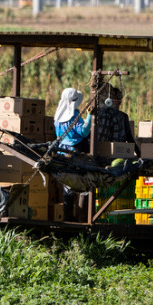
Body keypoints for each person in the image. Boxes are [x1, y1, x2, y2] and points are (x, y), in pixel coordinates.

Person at [53, 87, 91, 221]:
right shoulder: (74, 117)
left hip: (62, 151)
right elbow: (84, 132)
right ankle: (82, 217)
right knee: (82, 183)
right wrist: (90, 116)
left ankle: (67, 216)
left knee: (68, 185)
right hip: (76, 151)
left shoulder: (57, 117)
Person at [53, 87, 91, 153]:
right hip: (75, 149)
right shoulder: (73, 116)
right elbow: (84, 132)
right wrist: (89, 115)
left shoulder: (57, 118)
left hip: (61, 149)